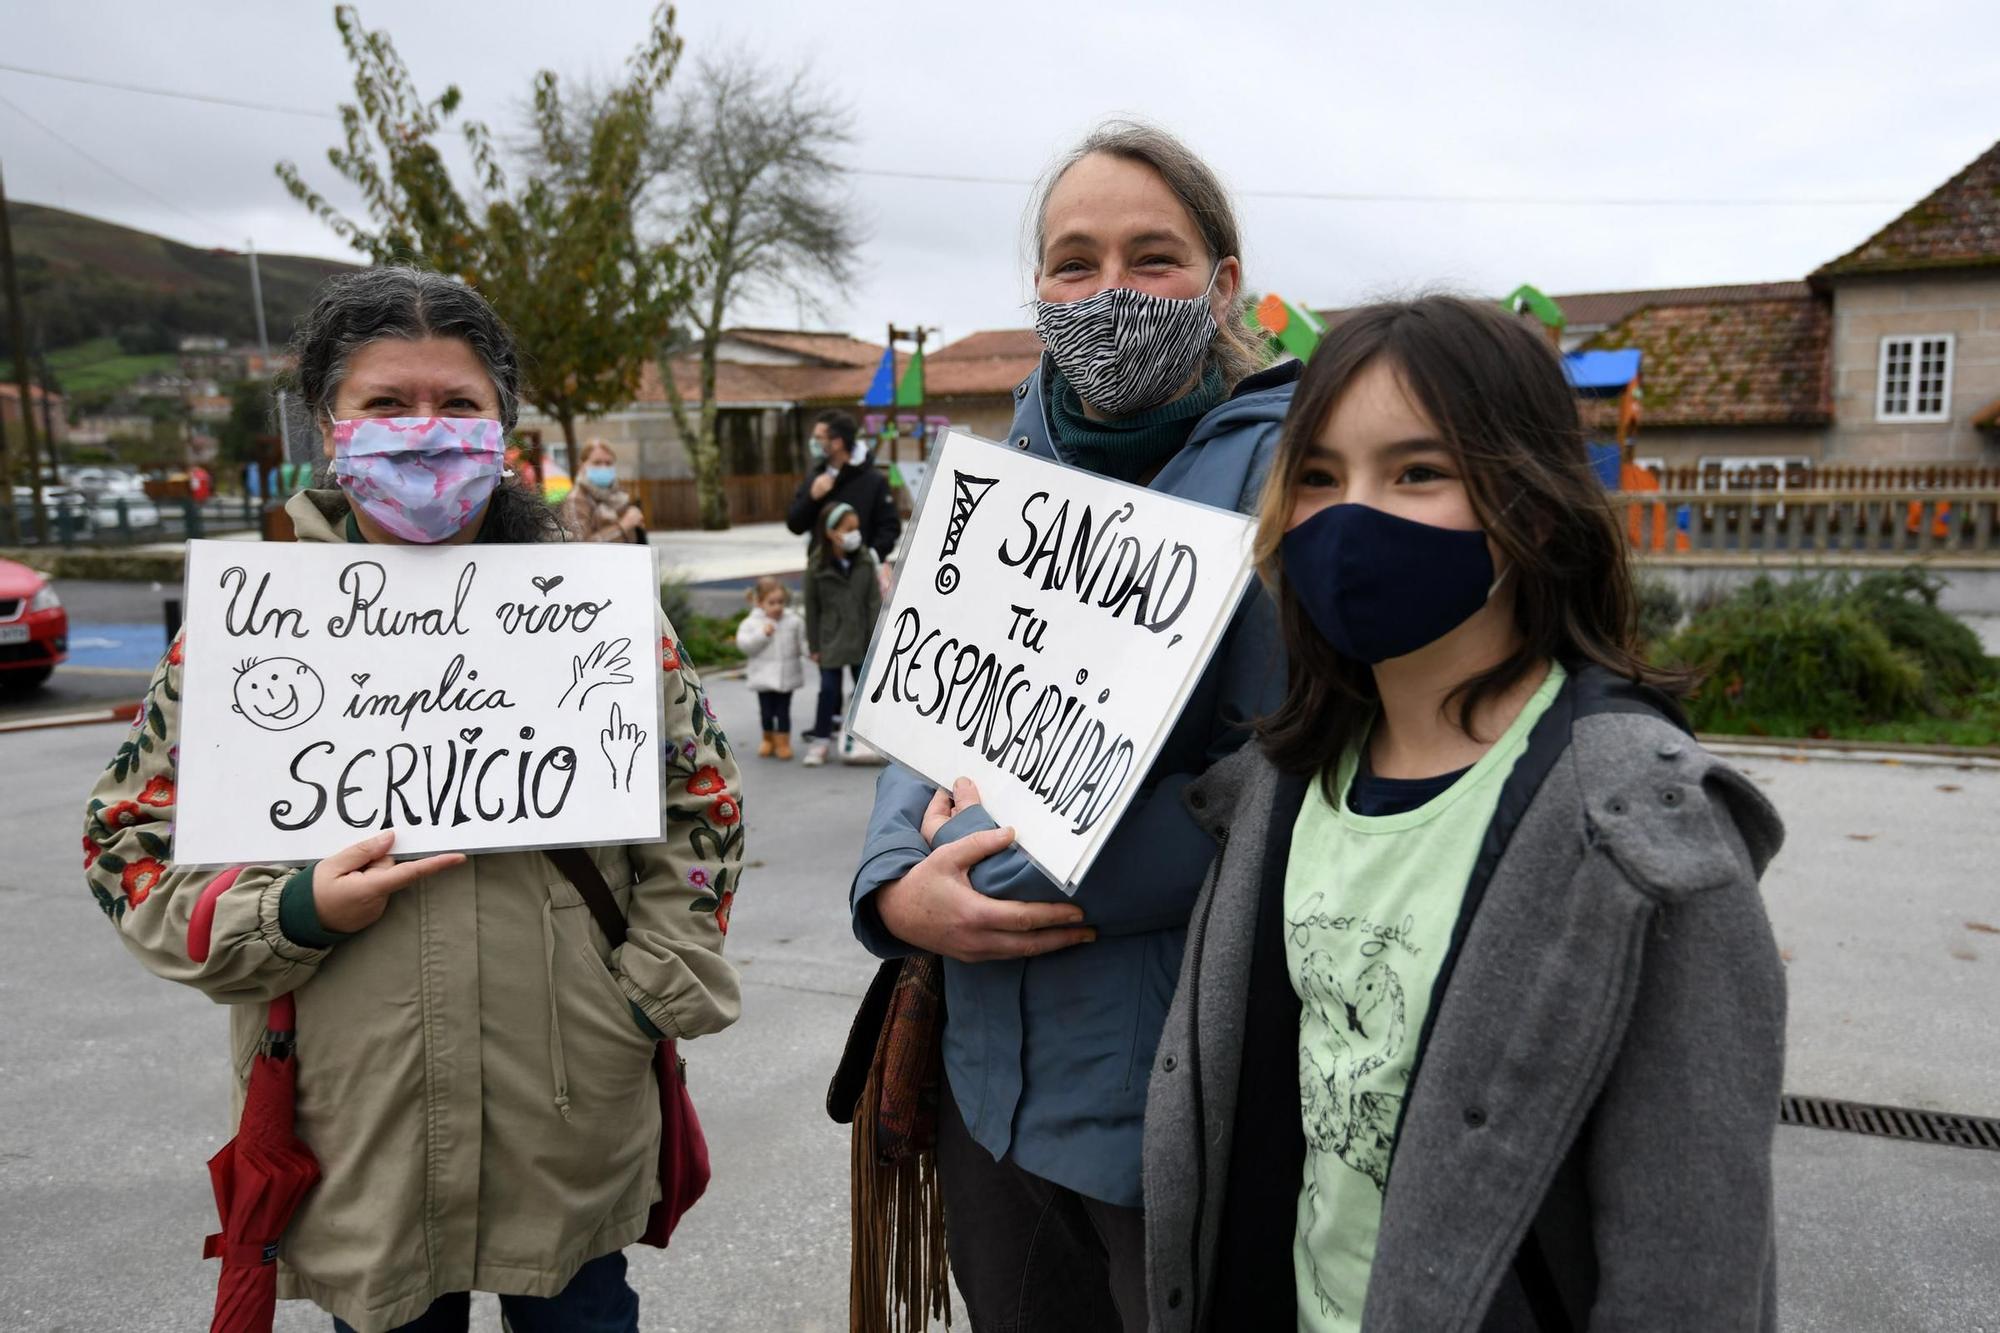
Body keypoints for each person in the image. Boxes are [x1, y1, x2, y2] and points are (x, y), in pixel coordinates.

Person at [80, 267, 744, 1333]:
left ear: (502, 427)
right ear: (330, 427)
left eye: (457, 405)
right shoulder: (248, 628)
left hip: (569, 1114)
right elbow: (128, 847)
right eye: (387, 405)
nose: (423, 434)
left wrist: (644, 994)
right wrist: (286, 915)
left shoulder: (600, 618)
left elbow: (703, 811)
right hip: (356, 1127)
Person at [1142, 296, 1788, 1332]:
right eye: (1316, 476)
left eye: (1416, 471)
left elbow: (1689, 1255)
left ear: (1529, 506)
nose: (1350, 515)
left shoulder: (1643, 836)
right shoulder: (1281, 786)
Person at [845, 120, 1298, 1333]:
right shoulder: (1000, 474)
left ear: (1222, 283)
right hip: (987, 1089)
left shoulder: (1295, 482)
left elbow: (1286, 766)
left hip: (1174, 1086)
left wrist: (1023, 879)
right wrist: (898, 886)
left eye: (1151, 259)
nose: (1108, 294)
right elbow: (927, 710)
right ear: (1038, 292)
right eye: (1072, 263)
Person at [800, 501, 881, 768]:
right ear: (831, 532)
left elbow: (873, 602)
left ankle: (869, 740)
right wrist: (814, 644)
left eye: (856, 528)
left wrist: (875, 638)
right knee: (829, 690)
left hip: (861, 636)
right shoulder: (816, 566)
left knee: (864, 691)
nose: (854, 534)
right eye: (848, 529)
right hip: (830, 638)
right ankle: (821, 741)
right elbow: (812, 608)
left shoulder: (866, 559)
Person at [785, 408, 900, 561]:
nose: (813, 443)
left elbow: (890, 527)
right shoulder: (816, 477)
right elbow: (795, 525)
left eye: (819, 438)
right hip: (822, 571)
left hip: (862, 572)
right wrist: (811, 498)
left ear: (837, 443)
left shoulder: (873, 480)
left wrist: (871, 558)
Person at [734, 574, 812, 760]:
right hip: (763, 676)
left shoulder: (794, 621)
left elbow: (802, 643)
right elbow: (745, 646)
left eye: (780, 602)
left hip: (787, 675)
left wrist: (811, 653)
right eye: (772, 602)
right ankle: (768, 739)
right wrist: (763, 634)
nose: (777, 607)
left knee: (783, 711)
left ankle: (783, 742)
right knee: (767, 711)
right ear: (760, 603)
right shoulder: (751, 623)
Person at [561, 438, 646, 543]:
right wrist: (623, 525)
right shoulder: (577, 499)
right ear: (582, 466)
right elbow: (581, 545)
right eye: (597, 463)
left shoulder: (619, 495)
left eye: (608, 463)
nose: (603, 468)